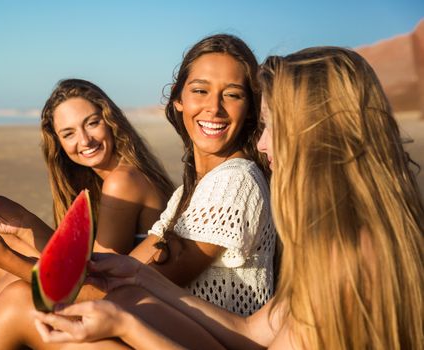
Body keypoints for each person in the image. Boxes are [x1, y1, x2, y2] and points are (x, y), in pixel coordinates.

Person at [34, 47, 423, 349]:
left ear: (318, 136)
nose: (263, 143)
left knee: (24, 309)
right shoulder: (336, 239)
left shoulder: (349, 257)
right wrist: (139, 276)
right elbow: (252, 330)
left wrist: (126, 325)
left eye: (272, 126)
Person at [0, 34, 276, 349]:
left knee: (17, 301)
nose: (214, 108)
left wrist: (1, 256)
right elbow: (119, 271)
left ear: (249, 109)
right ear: (178, 100)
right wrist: (20, 222)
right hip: (159, 332)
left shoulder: (235, 182)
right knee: (10, 281)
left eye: (232, 94)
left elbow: (107, 292)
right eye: (201, 91)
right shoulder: (192, 190)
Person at [0, 79, 175, 349]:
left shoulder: (123, 181)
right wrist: (21, 222)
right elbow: (80, 265)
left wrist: (0, 255)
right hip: (131, 310)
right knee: (2, 252)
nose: (84, 140)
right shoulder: (118, 176)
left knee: (14, 288)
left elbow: (94, 284)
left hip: (144, 326)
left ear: (111, 121)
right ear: (58, 143)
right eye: (68, 133)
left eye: (92, 123)